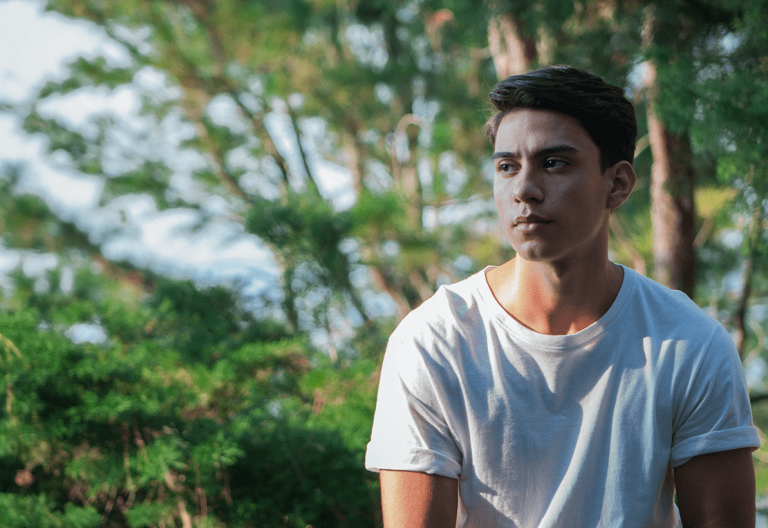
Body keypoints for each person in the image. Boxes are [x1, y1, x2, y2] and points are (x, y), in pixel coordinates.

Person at [365, 65, 760, 527]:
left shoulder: (689, 343)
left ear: (617, 184)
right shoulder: (433, 342)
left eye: (554, 163)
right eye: (507, 166)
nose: (524, 190)